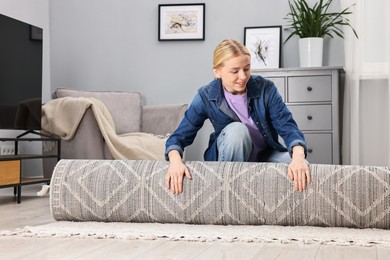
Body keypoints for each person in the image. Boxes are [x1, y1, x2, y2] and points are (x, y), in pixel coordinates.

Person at [165, 39, 310, 195]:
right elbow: (178, 137)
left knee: (299, 166)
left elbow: (287, 125)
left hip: (264, 156)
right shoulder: (206, 95)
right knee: (237, 131)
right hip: (228, 158)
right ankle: (228, 196)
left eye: (246, 69)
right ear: (217, 71)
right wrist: (175, 161)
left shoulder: (265, 88)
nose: (243, 76)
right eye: (235, 71)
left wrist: (299, 156)